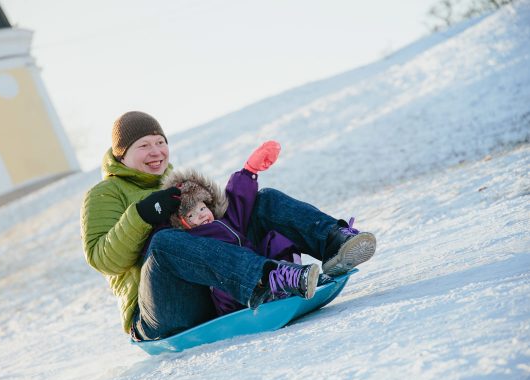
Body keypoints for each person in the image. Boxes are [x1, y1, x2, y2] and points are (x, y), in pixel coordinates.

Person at [81, 111, 376, 341]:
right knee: (165, 243)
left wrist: (247, 176)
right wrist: (141, 215)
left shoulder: (174, 181)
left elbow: (224, 225)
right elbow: (103, 259)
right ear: (122, 154)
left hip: (212, 293)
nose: (156, 151)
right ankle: (267, 278)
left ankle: (334, 242)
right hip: (160, 312)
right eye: (144, 145)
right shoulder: (105, 194)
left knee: (262, 201)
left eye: (160, 142)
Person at [161, 140, 320, 316]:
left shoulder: (225, 222)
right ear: (182, 222)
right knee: (223, 278)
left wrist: (249, 170)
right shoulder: (192, 240)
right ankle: (271, 292)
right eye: (191, 215)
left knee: (274, 239)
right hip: (232, 293)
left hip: (261, 272)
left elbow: (237, 200)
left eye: (202, 208)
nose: (201, 215)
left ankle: (294, 277)